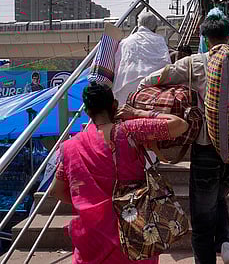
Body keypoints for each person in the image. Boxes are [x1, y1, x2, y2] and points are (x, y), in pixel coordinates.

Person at [139, 10, 229, 264]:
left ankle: (212, 255)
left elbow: (159, 77)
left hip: (207, 147)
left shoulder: (197, 63)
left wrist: (144, 88)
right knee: (219, 197)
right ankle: (228, 245)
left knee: (202, 216)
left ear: (205, 39)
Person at [50, 82, 188, 264]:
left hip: (92, 239)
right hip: (134, 231)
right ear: (114, 106)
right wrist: (138, 113)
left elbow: (56, 191)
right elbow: (180, 125)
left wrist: (89, 202)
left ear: (87, 111)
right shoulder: (130, 131)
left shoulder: (70, 147)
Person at [112, 11, 171, 105]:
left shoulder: (125, 42)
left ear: (138, 24)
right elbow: (167, 65)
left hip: (125, 87)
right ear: (155, 27)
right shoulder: (159, 40)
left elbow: (117, 65)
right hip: (152, 88)